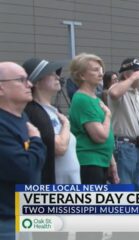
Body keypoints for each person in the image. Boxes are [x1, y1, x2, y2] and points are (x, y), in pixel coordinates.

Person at [0, 62, 46, 240]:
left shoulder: (22, 117)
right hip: (8, 223)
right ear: (1, 88)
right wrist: (36, 140)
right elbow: (25, 169)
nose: (30, 85)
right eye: (21, 80)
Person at [23, 58, 80, 185]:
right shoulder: (33, 111)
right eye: (50, 73)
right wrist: (66, 125)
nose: (57, 77)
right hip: (53, 187)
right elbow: (59, 147)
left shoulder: (54, 110)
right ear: (36, 82)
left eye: (56, 73)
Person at [68, 53, 119, 185]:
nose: (101, 74)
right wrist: (108, 116)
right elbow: (100, 136)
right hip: (89, 162)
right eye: (95, 70)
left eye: (101, 70)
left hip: (100, 160)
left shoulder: (94, 98)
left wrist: (111, 161)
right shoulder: (83, 99)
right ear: (81, 75)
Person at [108, 57, 139, 191]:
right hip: (124, 147)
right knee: (124, 190)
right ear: (126, 74)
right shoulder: (118, 88)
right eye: (137, 72)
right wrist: (131, 79)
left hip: (137, 146)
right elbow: (113, 92)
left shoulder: (135, 92)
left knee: (136, 188)